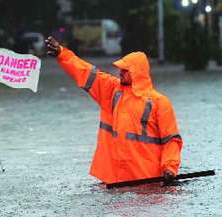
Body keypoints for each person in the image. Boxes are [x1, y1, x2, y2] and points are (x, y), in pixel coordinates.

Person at [46, 36, 183, 184]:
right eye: (121, 69)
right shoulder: (112, 90)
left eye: (125, 70)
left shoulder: (160, 102)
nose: (120, 72)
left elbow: (172, 140)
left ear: (137, 72)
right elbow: (86, 73)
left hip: (147, 181)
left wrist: (170, 168)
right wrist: (62, 54)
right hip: (114, 180)